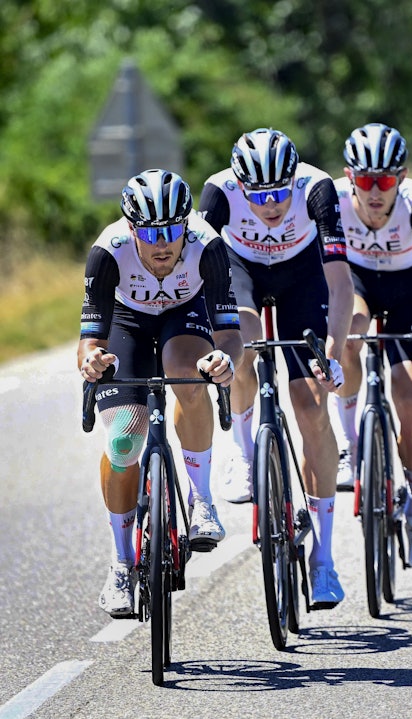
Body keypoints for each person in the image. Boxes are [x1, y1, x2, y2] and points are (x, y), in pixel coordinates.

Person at [80, 169, 241, 617]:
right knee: (122, 441)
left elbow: (229, 333)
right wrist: (90, 361)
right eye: (150, 233)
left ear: (185, 226)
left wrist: (224, 361)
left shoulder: (207, 246)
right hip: (126, 321)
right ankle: (120, 562)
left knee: (189, 375)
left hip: (184, 315)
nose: (163, 243)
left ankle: (202, 501)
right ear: (132, 229)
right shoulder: (106, 253)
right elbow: (90, 339)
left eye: (172, 230)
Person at [200, 128, 348, 608]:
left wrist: (335, 351)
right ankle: (244, 454)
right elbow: (196, 267)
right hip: (240, 270)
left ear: (294, 180)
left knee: (310, 404)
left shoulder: (317, 189)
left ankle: (324, 558)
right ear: (241, 186)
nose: (271, 204)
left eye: (280, 192)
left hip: (302, 275)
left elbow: (340, 282)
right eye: (259, 195)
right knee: (240, 344)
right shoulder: (218, 191)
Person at [323, 123, 412, 569]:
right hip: (355, 282)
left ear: (403, 176)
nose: (375, 191)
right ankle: (351, 443)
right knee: (351, 334)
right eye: (365, 180)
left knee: (410, 397)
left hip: (406, 286)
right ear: (349, 176)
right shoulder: (331, 198)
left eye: (386, 180)